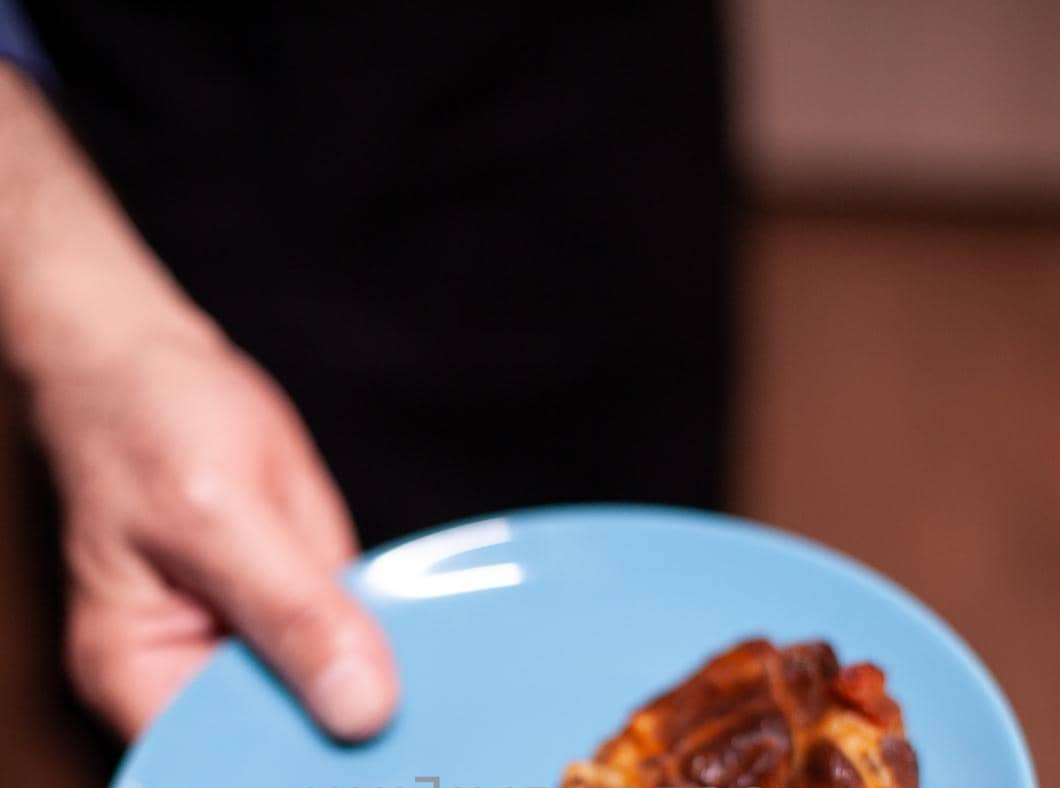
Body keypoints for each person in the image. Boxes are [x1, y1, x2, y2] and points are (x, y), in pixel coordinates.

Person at [0, 4, 735, 742]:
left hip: (597, 119)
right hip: (177, 167)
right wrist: (93, 337)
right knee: (222, 675)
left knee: (659, 636)